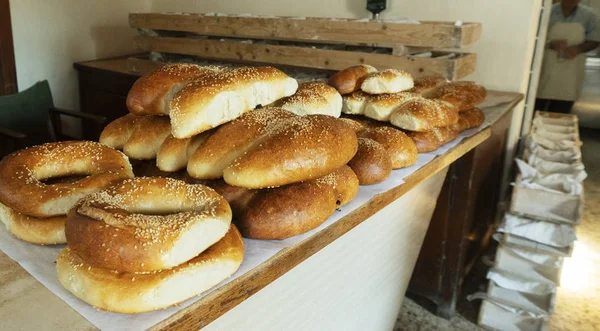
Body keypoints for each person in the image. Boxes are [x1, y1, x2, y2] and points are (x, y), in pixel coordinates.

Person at [536, 0, 600, 114]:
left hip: (571, 71)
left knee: (561, 112)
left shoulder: (590, 16)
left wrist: (578, 49)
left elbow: (595, 40)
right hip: (545, 68)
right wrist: (549, 44)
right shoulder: (545, 12)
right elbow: (534, 37)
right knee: (535, 110)